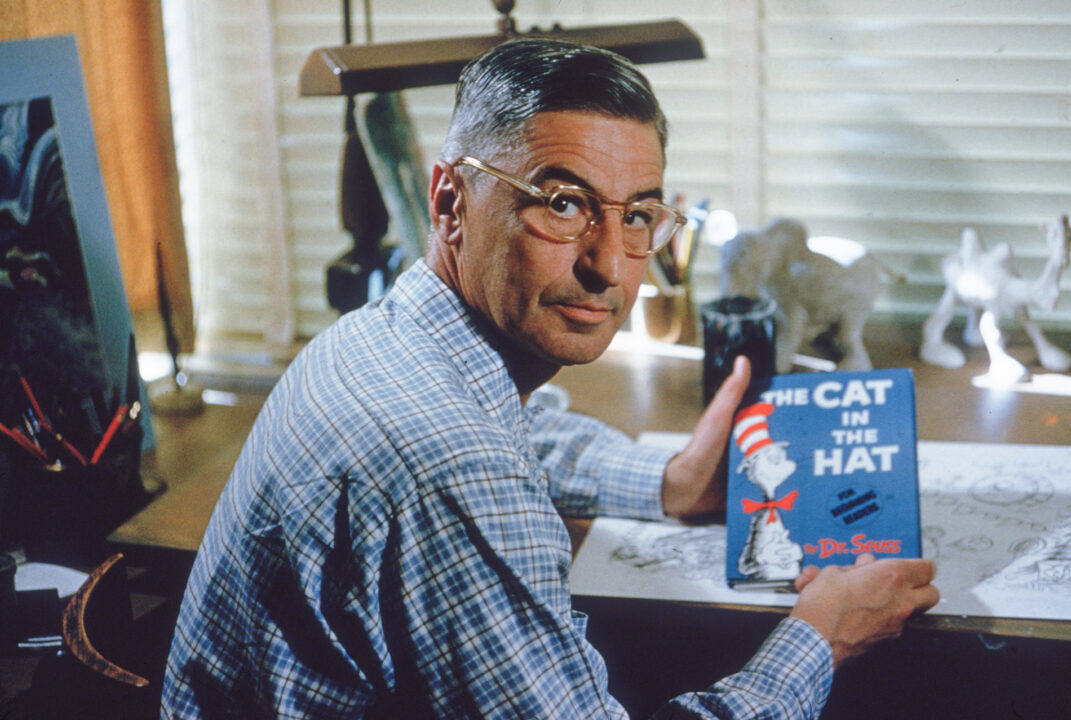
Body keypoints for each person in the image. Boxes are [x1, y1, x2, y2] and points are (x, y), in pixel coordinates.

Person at [162, 38, 939, 719]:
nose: (607, 264)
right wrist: (820, 637)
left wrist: (668, 481)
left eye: (637, 215)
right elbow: (468, 467)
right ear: (449, 202)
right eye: (562, 204)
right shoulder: (451, 467)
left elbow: (513, 427)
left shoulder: (390, 337)